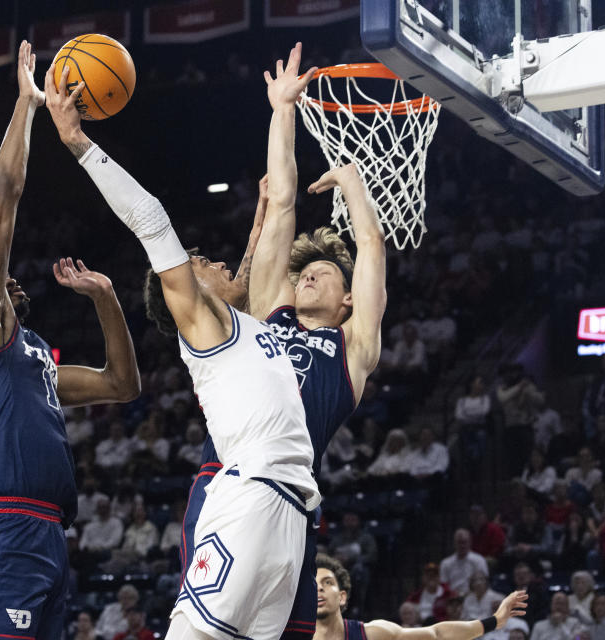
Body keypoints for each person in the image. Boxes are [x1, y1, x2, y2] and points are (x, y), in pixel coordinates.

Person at [46, 43, 321, 640]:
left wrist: (281, 110)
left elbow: (280, 212)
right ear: (183, 295)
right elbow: (151, 219)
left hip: (291, 511)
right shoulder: (205, 327)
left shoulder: (249, 323)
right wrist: (75, 143)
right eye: (196, 260)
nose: (210, 258)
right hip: (248, 500)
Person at [178, 40, 392, 640]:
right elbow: (281, 207)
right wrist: (282, 109)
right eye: (304, 272)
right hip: (228, 474)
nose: (307, 277)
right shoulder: (273, 313)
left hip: (295, 501)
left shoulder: (353, 351)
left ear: (348, 301)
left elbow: (372, 249)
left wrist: (352, 183)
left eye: (324, 274)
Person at [0, 42, 141, 640]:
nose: (8, 276)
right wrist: (26, 105)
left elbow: (122, 385)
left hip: (49, 531)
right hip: (5, 523)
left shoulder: (33, 362)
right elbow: (4, 194)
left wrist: (105, 299)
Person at [313, 553, 527, 640]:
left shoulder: (371, 633)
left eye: (327, 582)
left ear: (342, 597)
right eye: (313, 586)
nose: (319, 589)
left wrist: (495, 621)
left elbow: (438, 634)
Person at [440, 530, 489, 595]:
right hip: (452, 599)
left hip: (474, 595)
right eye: (459, 542)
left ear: (470, 542)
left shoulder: (479, 560)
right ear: (454, 543)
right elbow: (443, 584)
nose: (462, 545)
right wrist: (453, 594)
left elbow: (484, 582)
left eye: (464, 542)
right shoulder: (445, 563)